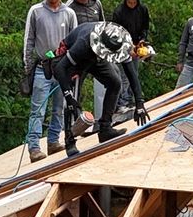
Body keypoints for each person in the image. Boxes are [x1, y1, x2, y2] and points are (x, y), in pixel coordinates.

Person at [49, 21, 148, 157]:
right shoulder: (83, 43)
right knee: (73, 99)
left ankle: (105, 128)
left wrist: (140, 103)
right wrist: (68, 96)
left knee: (115, 82)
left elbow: (132, 74)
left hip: (97, 57)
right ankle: (70, 141)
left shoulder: (120, 42)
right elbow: (60, 68)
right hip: (80, 59)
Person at [22, 0, 78, 162]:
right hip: (42, 66)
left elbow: (75, 40)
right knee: (38, 108)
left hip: (62, 66)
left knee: (60, 107)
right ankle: (34, 146)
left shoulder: (69, 13)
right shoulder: (36, 11)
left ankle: (54, 140)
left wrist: (75, 67)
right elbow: (28, 39)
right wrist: (28, 66)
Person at [63, 0, 107, 123]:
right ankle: (72, 124)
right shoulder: (69, 7)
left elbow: (103, 25)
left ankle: (103, 121)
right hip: (77, 53)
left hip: (96, 52)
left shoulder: (96, 3)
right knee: (74, 90)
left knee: (109, 82)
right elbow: (65, 35)